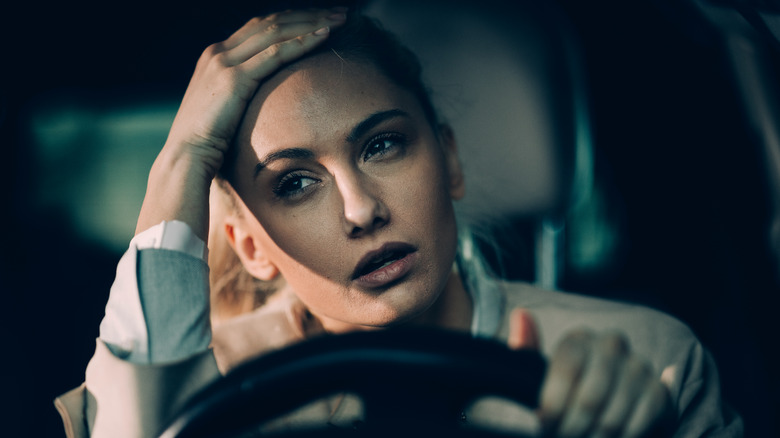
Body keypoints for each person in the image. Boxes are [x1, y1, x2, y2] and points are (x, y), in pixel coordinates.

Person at [54, 7, 742, 437]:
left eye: (382, 145)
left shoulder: (650, 364)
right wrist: (181, 159)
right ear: (250, 247)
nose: (361, 210)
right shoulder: (204, 390)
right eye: (295, 184)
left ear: (447, 159)